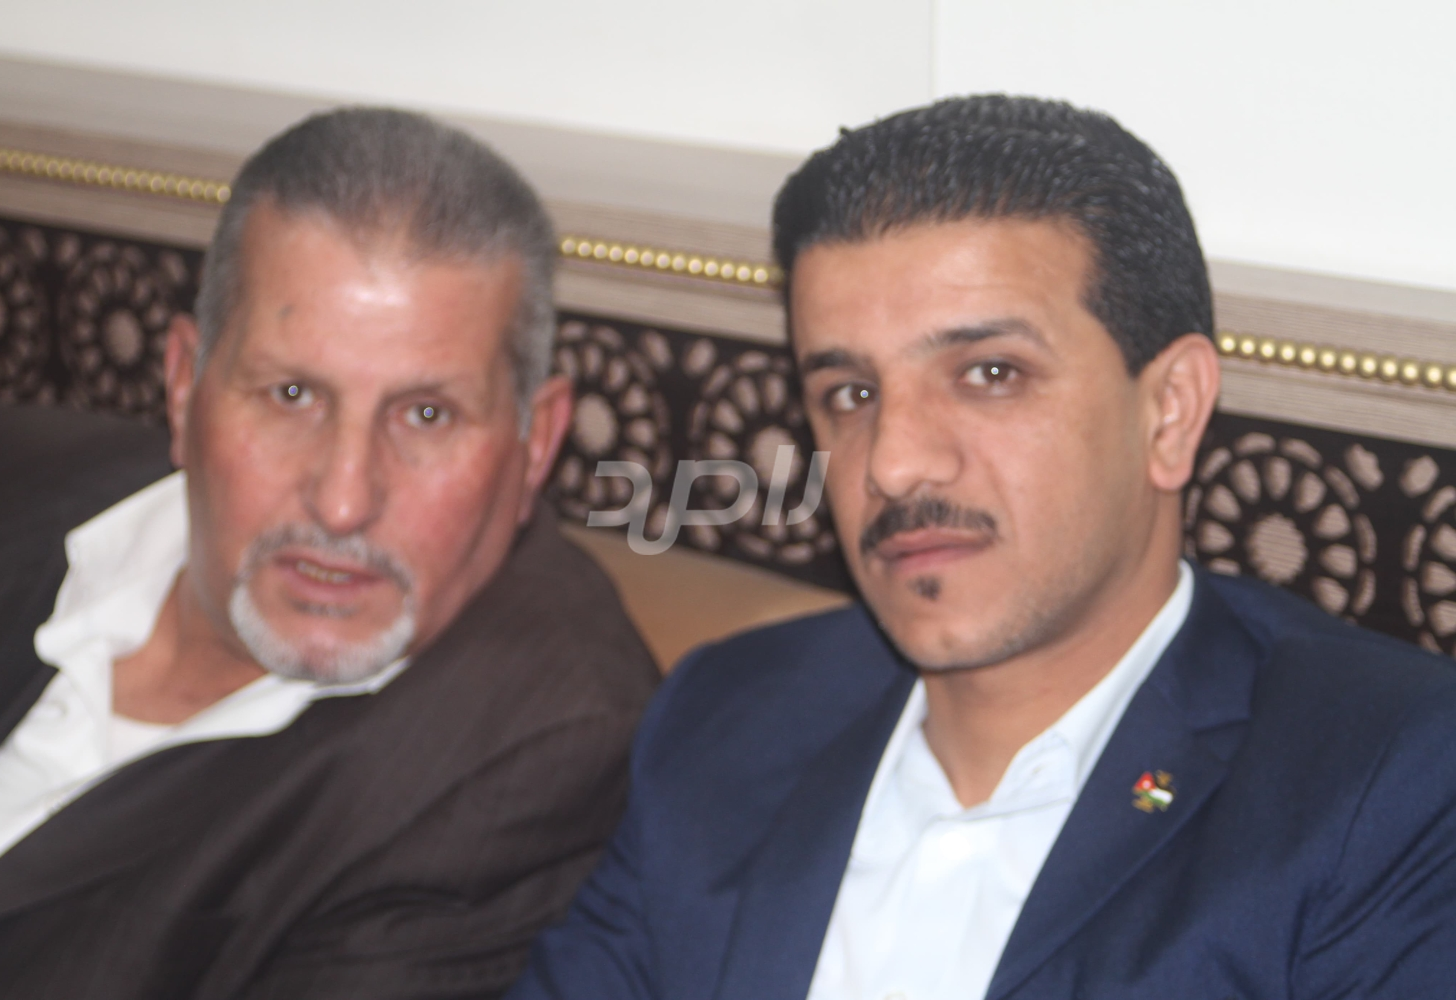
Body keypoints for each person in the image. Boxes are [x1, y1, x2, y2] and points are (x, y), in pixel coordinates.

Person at [508, 95, 1456, 1000]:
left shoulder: (1382, 779)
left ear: (1169, 412)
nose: (894, 463)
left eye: (990, 373)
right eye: (850, 393)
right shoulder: (727, 720)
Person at [0, 107, 657, 1000]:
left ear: (537, 440)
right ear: (184, 385)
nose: (343, 500)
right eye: (291, 394)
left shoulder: (532, 758)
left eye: (427, 415)